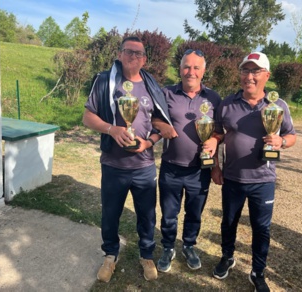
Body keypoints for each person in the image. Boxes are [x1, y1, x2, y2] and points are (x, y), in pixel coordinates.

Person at [82, 36, 172, 283]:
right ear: (120, 54)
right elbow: (88, 117)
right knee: (110, 214)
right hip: (113, 164)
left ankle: (146, 255)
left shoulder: (152, 86)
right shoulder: (104, 81)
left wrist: (149, 142)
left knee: (147, 215)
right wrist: (112, 129)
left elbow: (160, 123)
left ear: (144, 59)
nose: (134, 57)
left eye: (139, 54)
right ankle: (110, 255)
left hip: (144, 166)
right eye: (129, 52)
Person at [207, 52, 296, 292]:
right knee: (229, 222)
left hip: (263, 180)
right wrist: (215, 165)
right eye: (245, 71)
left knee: (261, 228)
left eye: (255, 71)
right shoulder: (227, 103)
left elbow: (291, 135)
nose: (249, 76)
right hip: (233, 178)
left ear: (266, 75)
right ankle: (227, 257)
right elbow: (217, 134)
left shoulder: (278, 106)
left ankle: (258, 272)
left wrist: (281, 142)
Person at [152, 49, 221, 272]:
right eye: (186, 66)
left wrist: (215, 140)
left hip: (199, 170)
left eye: (196, 67)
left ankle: (189, 245)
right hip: (171, 167)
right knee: (169, 213)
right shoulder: (166, 93)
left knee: (194, 213)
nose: (191, 71)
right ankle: (168, 247)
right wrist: (162, 126)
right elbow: (152, 117)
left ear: (204, 71)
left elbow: (221, 129)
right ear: (180, 69)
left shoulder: (213, 98)